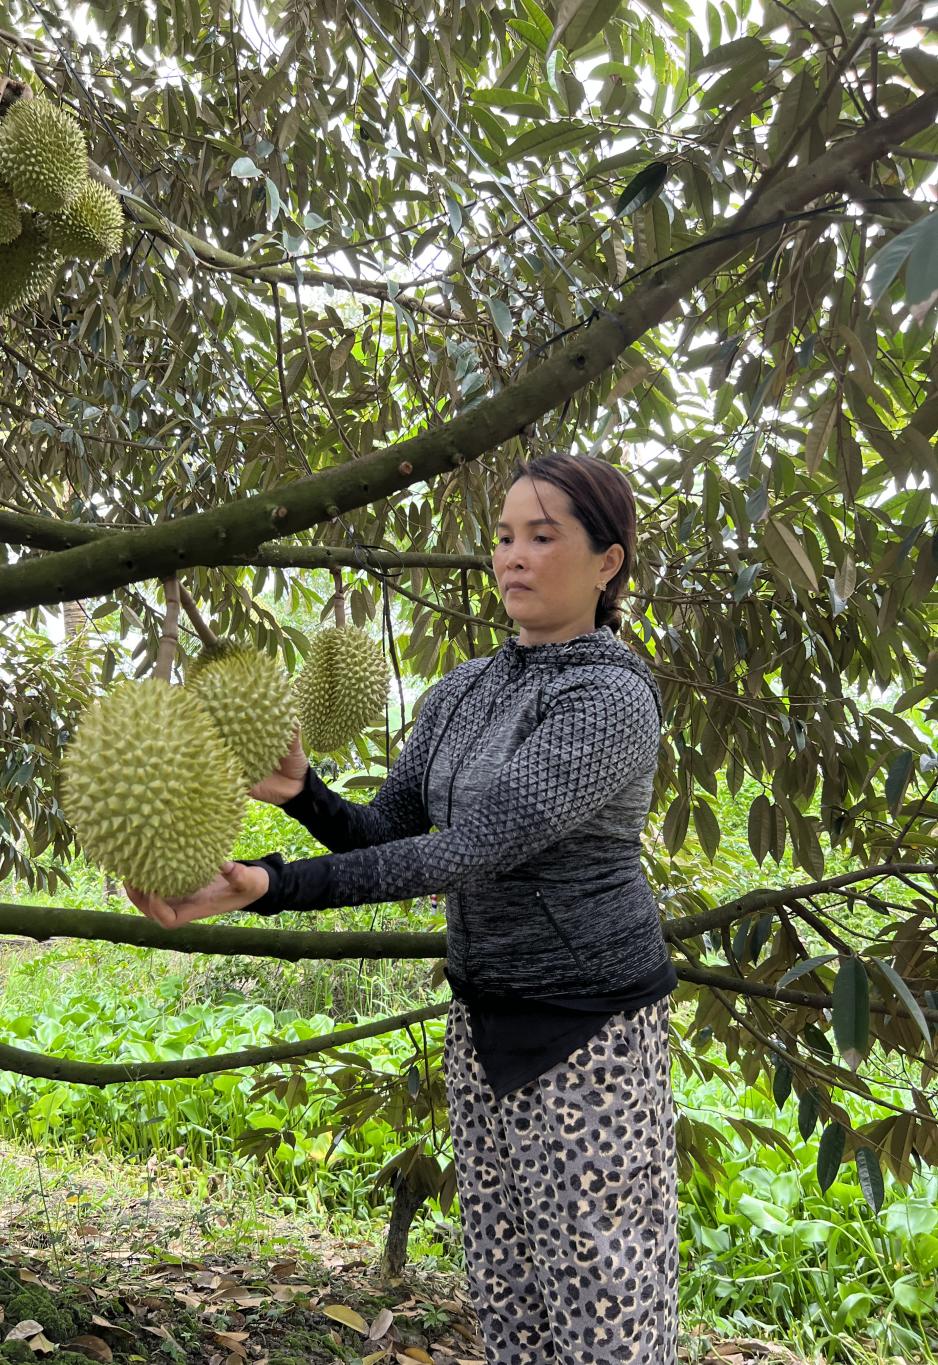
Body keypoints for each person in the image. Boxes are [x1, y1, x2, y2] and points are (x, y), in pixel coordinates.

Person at [127, 453, 678, 1365]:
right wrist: (306, 795)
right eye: (505, 536)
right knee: (509, 1289)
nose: (514, 556)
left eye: (544, 537)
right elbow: (386, 830)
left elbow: (469, 850)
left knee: (603, 1305)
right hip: (481, 1020)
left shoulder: (610, 698)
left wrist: (271, 884)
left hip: (591, 1036)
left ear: (607, 562)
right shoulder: (465, 688)